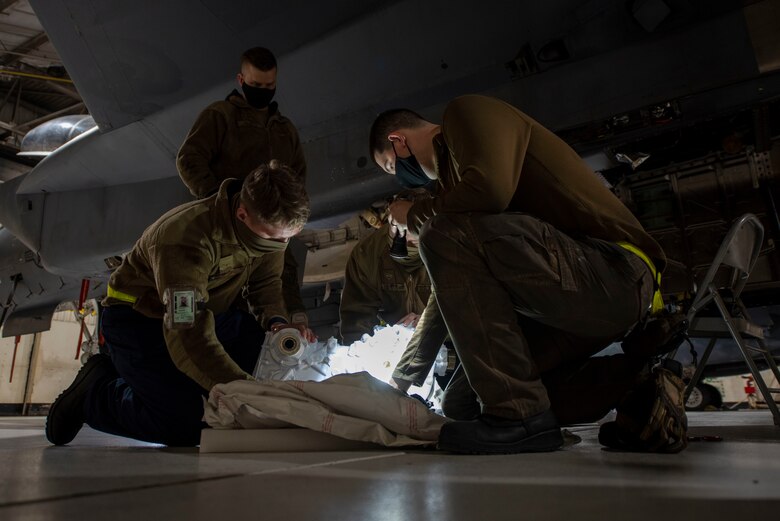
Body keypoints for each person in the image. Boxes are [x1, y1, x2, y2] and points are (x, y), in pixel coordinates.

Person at [369, 95, 668, 454]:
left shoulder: (464, 114)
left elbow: (491, 190)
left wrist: (415, 213)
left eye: (390, 167)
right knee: (463, 404)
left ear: (398, 141)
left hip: (616, 273)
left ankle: (520, 416)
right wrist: (402, 379)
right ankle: (637, 383)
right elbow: (448, 293)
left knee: (441, 232)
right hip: (567, 303)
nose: (396, 175)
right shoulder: (453, 191)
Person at [45, 161, 311, 447]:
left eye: (287, 238)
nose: (281, 245)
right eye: (274, 238)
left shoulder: (270, 233)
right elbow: (187, 331)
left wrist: (278, 324)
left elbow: (265, 285)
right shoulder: (184, 240)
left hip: (205, 316)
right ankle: (95, 394)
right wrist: (243, 390)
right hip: (139, 322)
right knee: (186, 423)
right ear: (242, 213)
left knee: (259, 350)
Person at [176, 46, 309, 330]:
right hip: (229, 230)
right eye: (256, 85)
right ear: (241, 80)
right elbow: (189, 159)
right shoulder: (220, 116)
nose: (263, 90)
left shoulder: (285, 130)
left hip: (273, 234)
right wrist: (218, 200)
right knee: (223, 305)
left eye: (269, 85)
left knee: (278, 292)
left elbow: (298, 178)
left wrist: (289, 217)